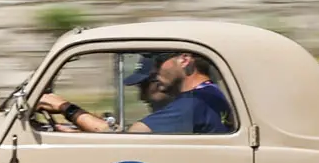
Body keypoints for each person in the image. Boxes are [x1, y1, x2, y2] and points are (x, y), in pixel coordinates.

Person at [35, 50, 233, 135]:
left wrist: (64, 107)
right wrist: (79, 131)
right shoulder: (209, 95)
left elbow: (126, 137)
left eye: (158, 62)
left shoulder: (192, 103)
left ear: (185, 59)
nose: (154, 71)